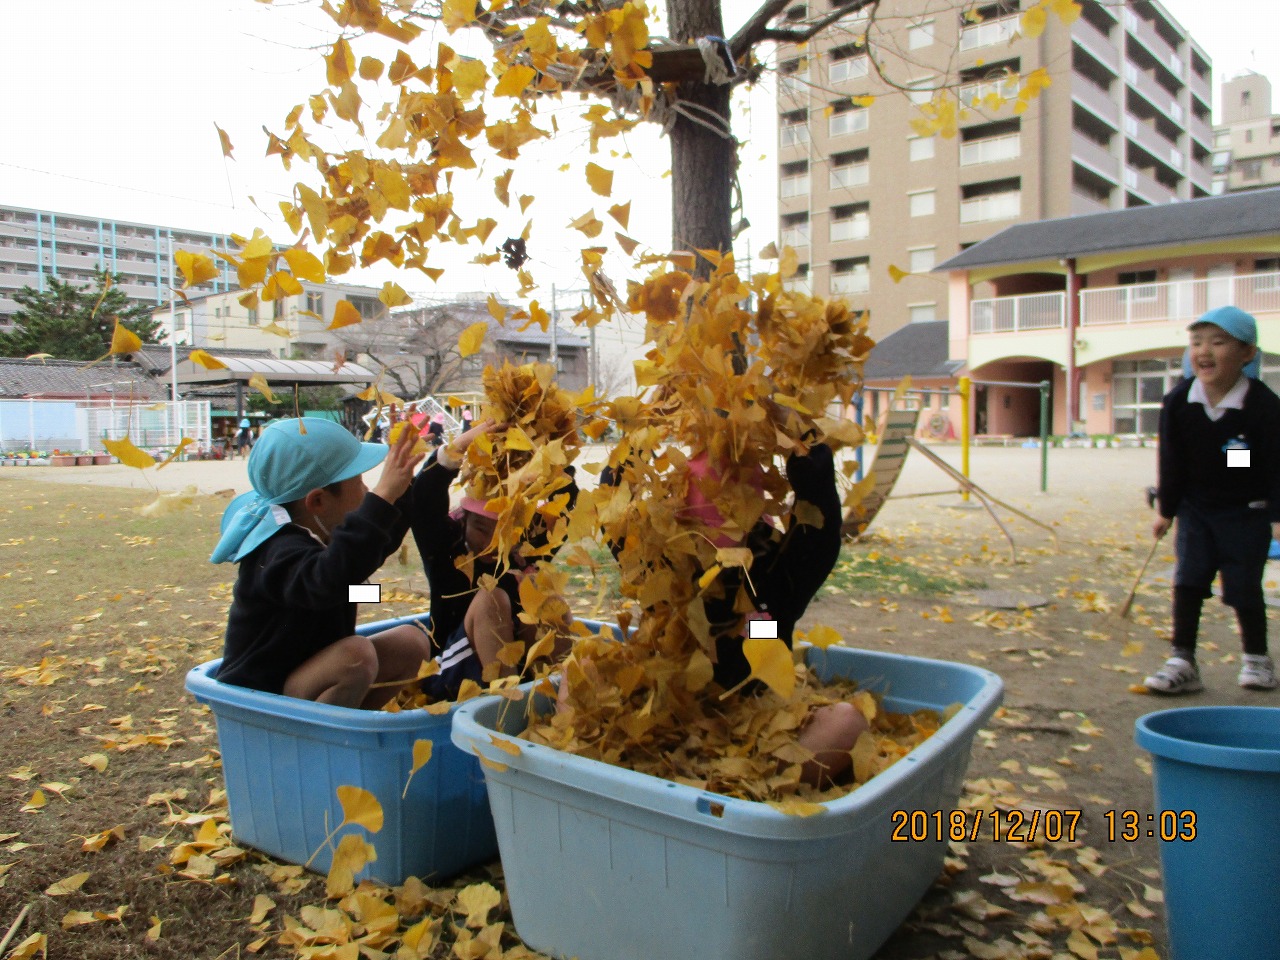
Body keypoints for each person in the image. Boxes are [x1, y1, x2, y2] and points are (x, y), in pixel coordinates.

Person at [211, 417, 432, 708]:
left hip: (310, 676)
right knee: (356, 656)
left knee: (410, 643)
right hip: (265, 697)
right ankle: (326, 743)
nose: (367, 492)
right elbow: (328, 582)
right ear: (317, 502)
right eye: (360, 484)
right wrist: (382, 497)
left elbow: (361, 555)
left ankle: (362, 724)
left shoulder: (319, 535)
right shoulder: (276, 551)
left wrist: (423, 473)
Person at [1144, 306, 1280, 694]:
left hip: (1246, 510)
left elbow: (1275, 465)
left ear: (1247, 353)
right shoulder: (1178, 402)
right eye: (1197, 341)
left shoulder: (1264, 407)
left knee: (1243, 585)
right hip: (1196, 509)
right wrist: (1166, 510)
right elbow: (1171, 461)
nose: (1204, 350)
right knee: (1187, 581)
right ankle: (1182, 660)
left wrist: (1277, 513)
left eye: (1218, 342)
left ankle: (1257, 660)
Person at [409, 420, 578, 698]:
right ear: (464, 522)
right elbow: (423, 500)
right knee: (493, 599)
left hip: (522, 667)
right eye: (481, 528)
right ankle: (504, 710)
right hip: (455, 676)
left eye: (505, 531)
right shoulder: (449, 552)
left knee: (545, 594)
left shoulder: (524, 551)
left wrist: (547, 451)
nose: (491, 543)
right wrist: (455, 451)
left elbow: (566, 498)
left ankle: (555, 705)